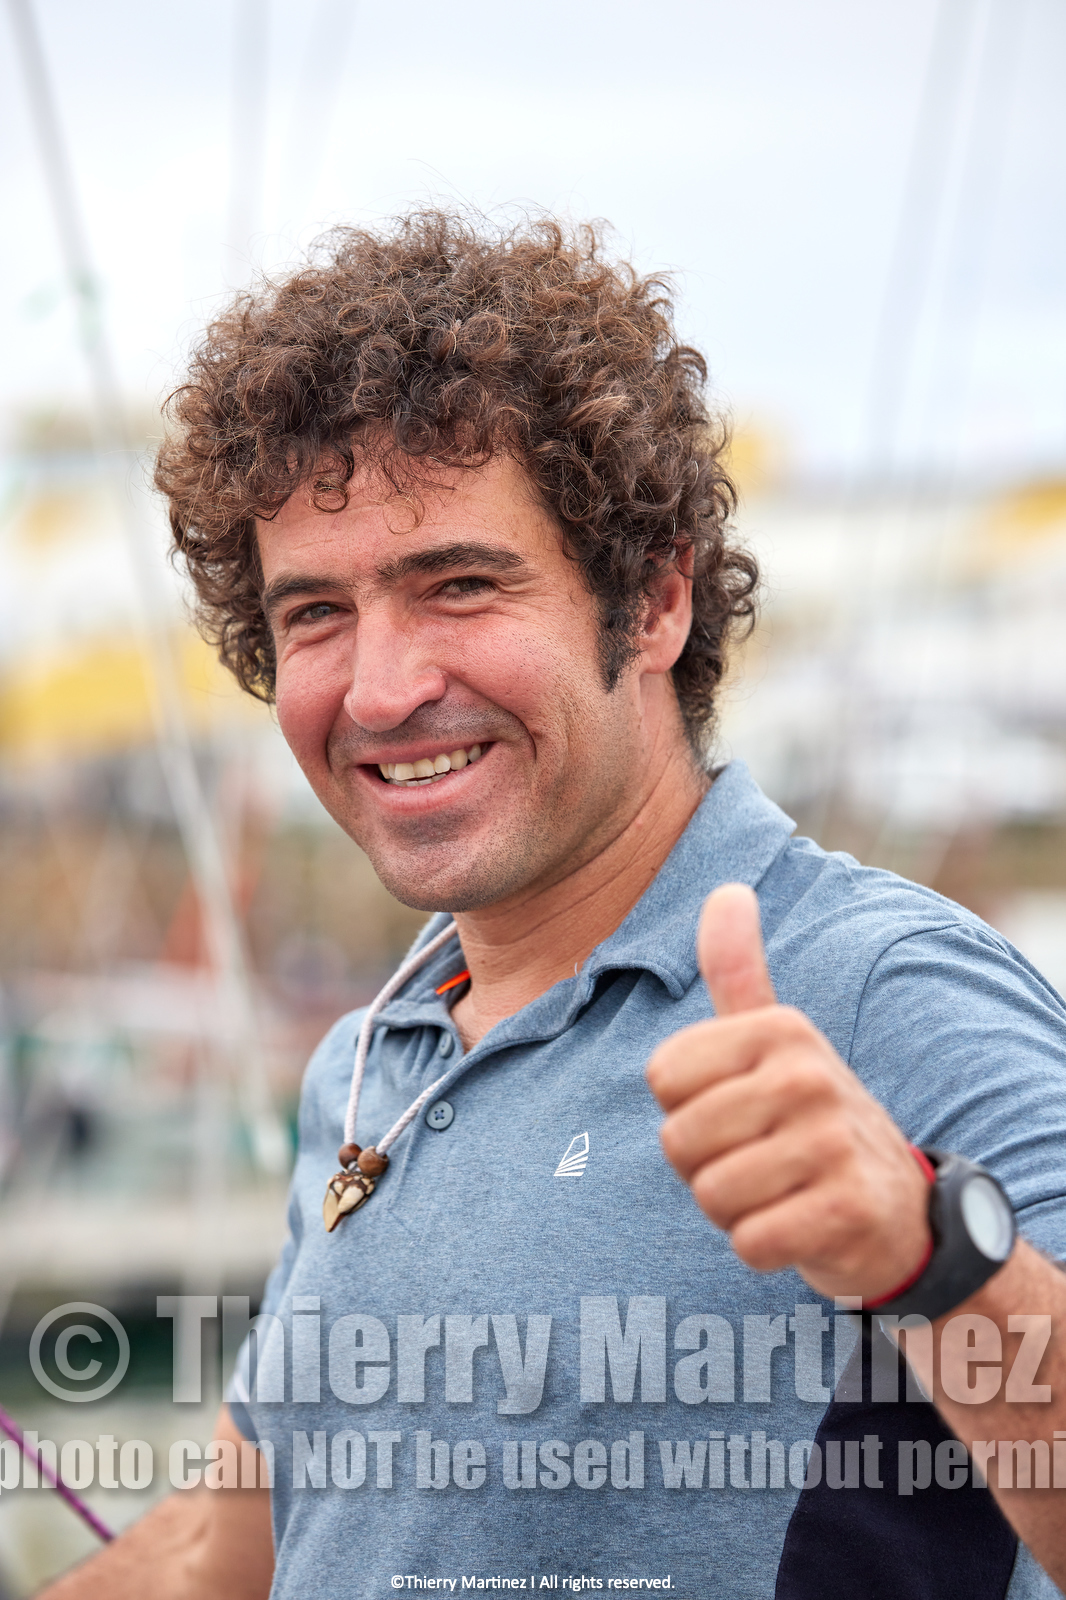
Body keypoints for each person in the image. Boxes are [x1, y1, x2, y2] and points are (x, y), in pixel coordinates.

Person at [45, 211, 1066, 1600]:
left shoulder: (877, 989)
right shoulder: (371, 1060)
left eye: (456, 585)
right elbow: (244, 1542)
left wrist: (928, 1254)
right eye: (314, 615)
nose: (383, 686)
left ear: (650, 603)